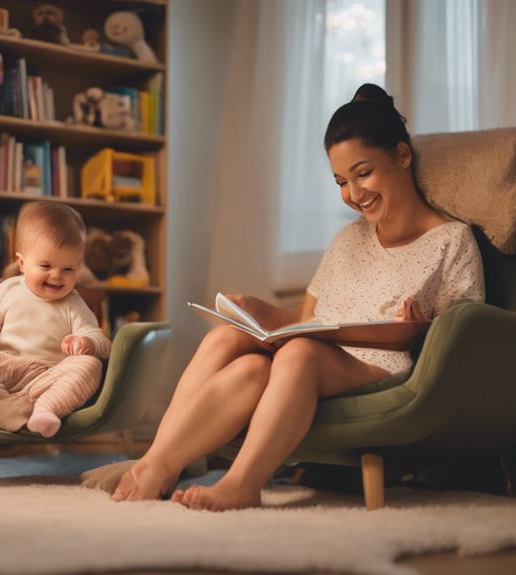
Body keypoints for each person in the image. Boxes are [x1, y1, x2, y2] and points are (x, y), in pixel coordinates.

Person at [109, 83, 485, 511]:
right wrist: (257, 312)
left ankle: (243, 483)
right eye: (341, 181)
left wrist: (422, 327)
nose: (354, 194)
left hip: (384, 363)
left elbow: (465, 337)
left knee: (299, 353)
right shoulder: (348, 239)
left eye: (364, 173)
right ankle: (157, 463)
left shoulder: (452, 240)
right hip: (322, 353)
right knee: (232, 346)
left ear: (402, 156)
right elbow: (308, 318)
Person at [0, 202, 111, 438]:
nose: (56, 276)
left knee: (91, 366)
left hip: (50, 374)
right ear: (22, 263)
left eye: (68, 269)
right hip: (7, 365)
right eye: (46, 265)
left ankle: (47, 410)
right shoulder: (8, 289)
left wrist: (88, 343)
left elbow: (99, 338)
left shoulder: (73, 303)